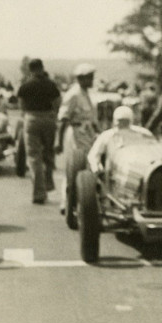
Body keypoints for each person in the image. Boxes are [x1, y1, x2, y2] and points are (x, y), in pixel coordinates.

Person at [16, 59, 61, 204]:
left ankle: (39, 193)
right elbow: (57, 103)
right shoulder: (50, 84)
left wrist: (27, 116)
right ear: (42, 68)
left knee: (34, 157)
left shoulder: (26, 86)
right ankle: (48, 183)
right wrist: (53, 115)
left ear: (30, 70)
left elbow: (21, 105)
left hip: (32, 119)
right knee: (48, 153)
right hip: (48, 118)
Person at [58, 63, 101, 215]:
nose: (91, 80)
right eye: (89, 77)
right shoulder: (73, 94)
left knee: (87, 166)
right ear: (81, 78)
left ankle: (82, 200)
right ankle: (66, 202)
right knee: (73, 167)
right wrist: (58, 141)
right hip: (75, 133)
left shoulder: (86, 93)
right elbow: (63, 118)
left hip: (87, 133)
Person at [87, 106, 154, 176]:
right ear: (115, 120)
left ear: (131, 121)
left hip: (138, 168)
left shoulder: (143, 133)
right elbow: (93, 155)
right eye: (120, 121)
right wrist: (96, 167)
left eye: (125, 121)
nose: (122, 124)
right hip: (114, 171)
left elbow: (153, 150)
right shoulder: (107, 135)